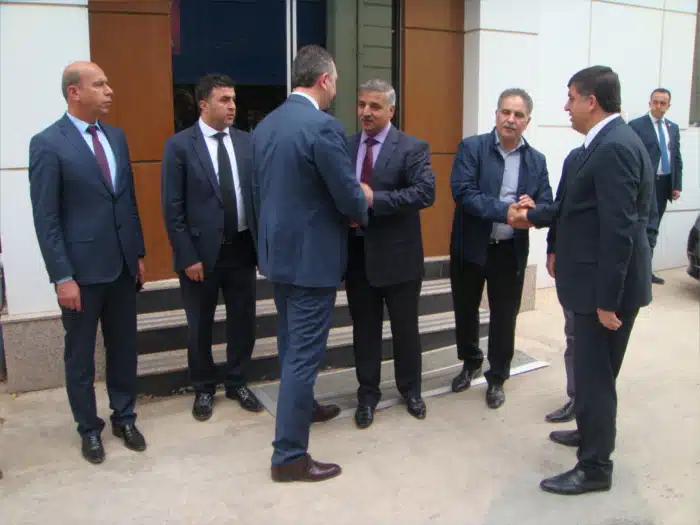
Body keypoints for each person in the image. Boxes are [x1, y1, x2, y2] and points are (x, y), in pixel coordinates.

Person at [515, 65, 654, 495]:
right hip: (593, 284)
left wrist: (608, 301)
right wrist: (533, 215)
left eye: (571, 97)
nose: (566, 106)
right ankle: (589, 432)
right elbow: (576, 209)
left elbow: (618, 229)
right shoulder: (604, 144)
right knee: (595, 376)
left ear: (591, 101)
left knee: (595, 379)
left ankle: (595, 467)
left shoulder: (615, 147)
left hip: (603, 291)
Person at [250, 45, 370, 482]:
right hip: (312, 260)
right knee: (303, 355)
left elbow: (259, 194)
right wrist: (362, 204)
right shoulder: (323, 127)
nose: (336, 88)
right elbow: (347, 193)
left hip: (279, 257)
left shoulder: (265, 125)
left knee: (291, 346)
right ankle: (289, 457)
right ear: (323, 80)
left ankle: (305, 406)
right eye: (335, 80)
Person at [28, 62, 147, 464]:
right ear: (74, 92)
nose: (109, 90)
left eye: (107, 83)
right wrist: (62, 276)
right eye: (100, 84)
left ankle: (124, 417)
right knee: (80, 356)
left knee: (124, 349)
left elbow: (127, 202)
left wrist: (137, 253)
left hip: (121, 267)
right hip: (80, 274)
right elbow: (46, 219)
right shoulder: (48, 144)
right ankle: (89, 429)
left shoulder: (116, 137)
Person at [161, 74, 264, 421]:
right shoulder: (180, 146)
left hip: (242, 249)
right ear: (203, 104)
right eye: (224, 100)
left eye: (233, 99)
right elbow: (172, 207)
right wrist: (187, 255)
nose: (232, 106)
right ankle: (204, 387)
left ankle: (237, 381)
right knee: (200, 325)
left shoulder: (247, 142)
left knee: (243, 322)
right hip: (201, 255)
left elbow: (256, 196)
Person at [449, 88, 553, 409]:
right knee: (466, 309)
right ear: (496, 115)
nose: (510, 119)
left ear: (527, 121)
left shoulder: (536, 161)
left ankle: (497, 377)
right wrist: (505, 211)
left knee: (504, 316)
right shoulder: (472, 148)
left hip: (509, 250)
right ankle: (470, 361)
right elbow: (463, 193)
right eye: (505, 112)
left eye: (518, 115)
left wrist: (534, 208)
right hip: (470, 245)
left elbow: (548, 204)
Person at [346, 79, 435, 429]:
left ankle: (411, 390)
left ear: (391, 110)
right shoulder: (346, 145)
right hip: (357, 258)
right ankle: (367, 395)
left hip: (399, 258)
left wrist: (375, 200)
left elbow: (424, 193)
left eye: (375, 106)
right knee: (364, 332)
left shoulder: (412, 147)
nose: (366, 112)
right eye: (362, 104)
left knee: (405, 330)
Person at [542, 147, 583, 424]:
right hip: (570, 263)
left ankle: (588, 402)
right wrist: (552, 247)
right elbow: (560, 206)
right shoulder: (575, 158)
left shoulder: (620, 151)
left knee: (591, 341)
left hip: (600, 269)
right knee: (573, 334)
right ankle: (576, 398)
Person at [628, 88, 684, 285]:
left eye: (663, 103)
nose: (658, 106)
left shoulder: (673, 128)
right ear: (649, 103)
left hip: (664, 184)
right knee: (642, 227)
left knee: (653, 229)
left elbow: (676, 157)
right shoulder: (636, 126)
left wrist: (676, 185)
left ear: (668, 106)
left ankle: (645, 271)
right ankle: (633, 271)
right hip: (645, 185)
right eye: (655, 102)